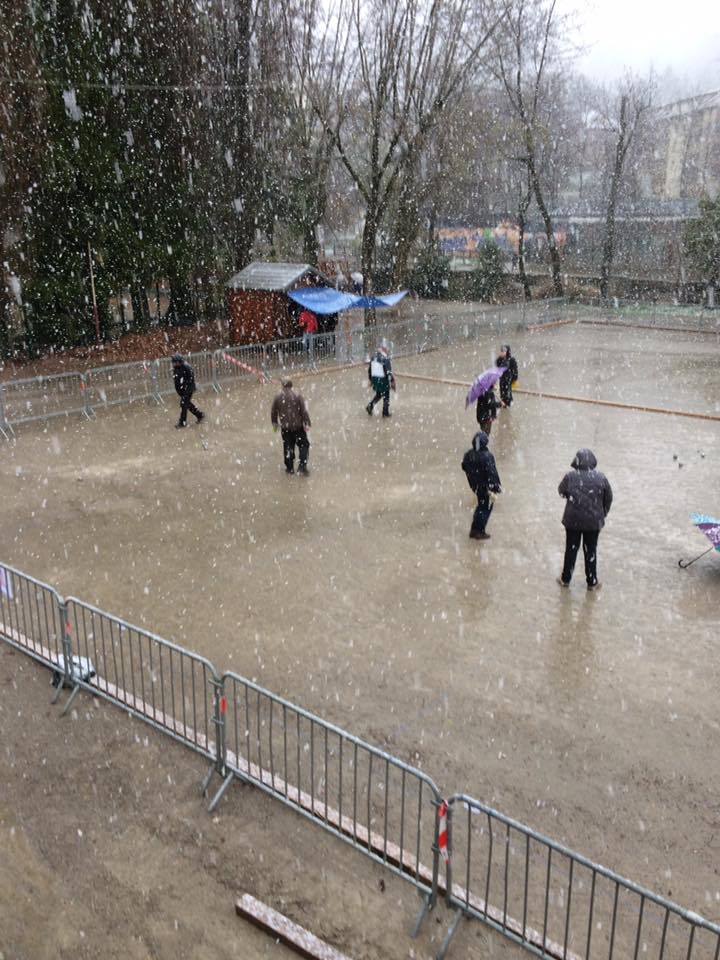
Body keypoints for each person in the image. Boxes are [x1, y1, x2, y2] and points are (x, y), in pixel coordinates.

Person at [557, 449, 613, 590]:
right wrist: (602, 513)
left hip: (573, 521)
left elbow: (561, 491)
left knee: (571, 549)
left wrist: (573, 498)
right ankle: (592, 581)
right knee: (591, 551)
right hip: (593, 523)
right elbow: (609, 498)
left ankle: (565, 579)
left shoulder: (570, 476)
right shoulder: (601, 477)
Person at [461, 431, 501, 540]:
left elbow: (464, 466)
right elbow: (492, 473)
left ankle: (475, 529)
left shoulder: (468, 455)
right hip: (486, 487)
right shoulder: (487, 456)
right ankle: (479, 530)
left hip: (476, 486)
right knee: (485, 508)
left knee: (481, 505)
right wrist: (495, 487)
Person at [270, 379, 311, 475]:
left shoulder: (277, 396)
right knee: (304, 445)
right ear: (291, 385)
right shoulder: (297, 395)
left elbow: (273, 412)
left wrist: (275, 423)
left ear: (282, 385)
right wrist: (307, 422)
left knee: (288, 447)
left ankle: (289, 468)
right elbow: (303, 411)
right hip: (298, 427)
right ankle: (302, 467)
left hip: (286, 428)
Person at [171, 354, 204, 429]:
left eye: (175, 362)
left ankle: (182, 422)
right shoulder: (176, 368)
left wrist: (186, 390)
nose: (173, 364)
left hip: (188, 389)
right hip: (182, 390)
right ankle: (200, 415)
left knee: (183, 404)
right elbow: (177, 379)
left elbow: (190, 380)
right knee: (187, 404)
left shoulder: (186, 367)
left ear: (179, 361)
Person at [366, 343, 395, 417]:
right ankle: (385, 413)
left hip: (375, 379)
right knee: (386, 395)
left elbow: (369, 370)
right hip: (382, 379)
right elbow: (388, 371)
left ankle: (370, 406)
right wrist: (392, 381)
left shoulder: (373, 357)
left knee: (379, 394)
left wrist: (371, 380)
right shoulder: (385, 358)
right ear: (384, 350)